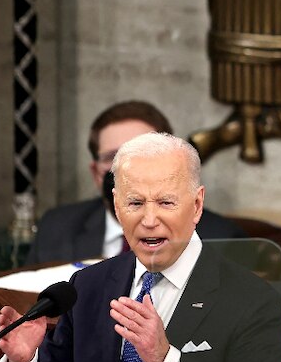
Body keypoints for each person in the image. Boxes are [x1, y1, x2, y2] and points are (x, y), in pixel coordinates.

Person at [0, 133, 281, 362]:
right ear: (117, 206)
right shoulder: (89, 287)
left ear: (197, 205)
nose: (148, 220)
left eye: (165, 202)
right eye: (135, 203)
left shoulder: (250, 299)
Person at [27, 100, 244, 263]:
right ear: (96, 173)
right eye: (114, 156)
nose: (127, 167)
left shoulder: (221, 239)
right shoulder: (57, 228)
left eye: (142, 153)